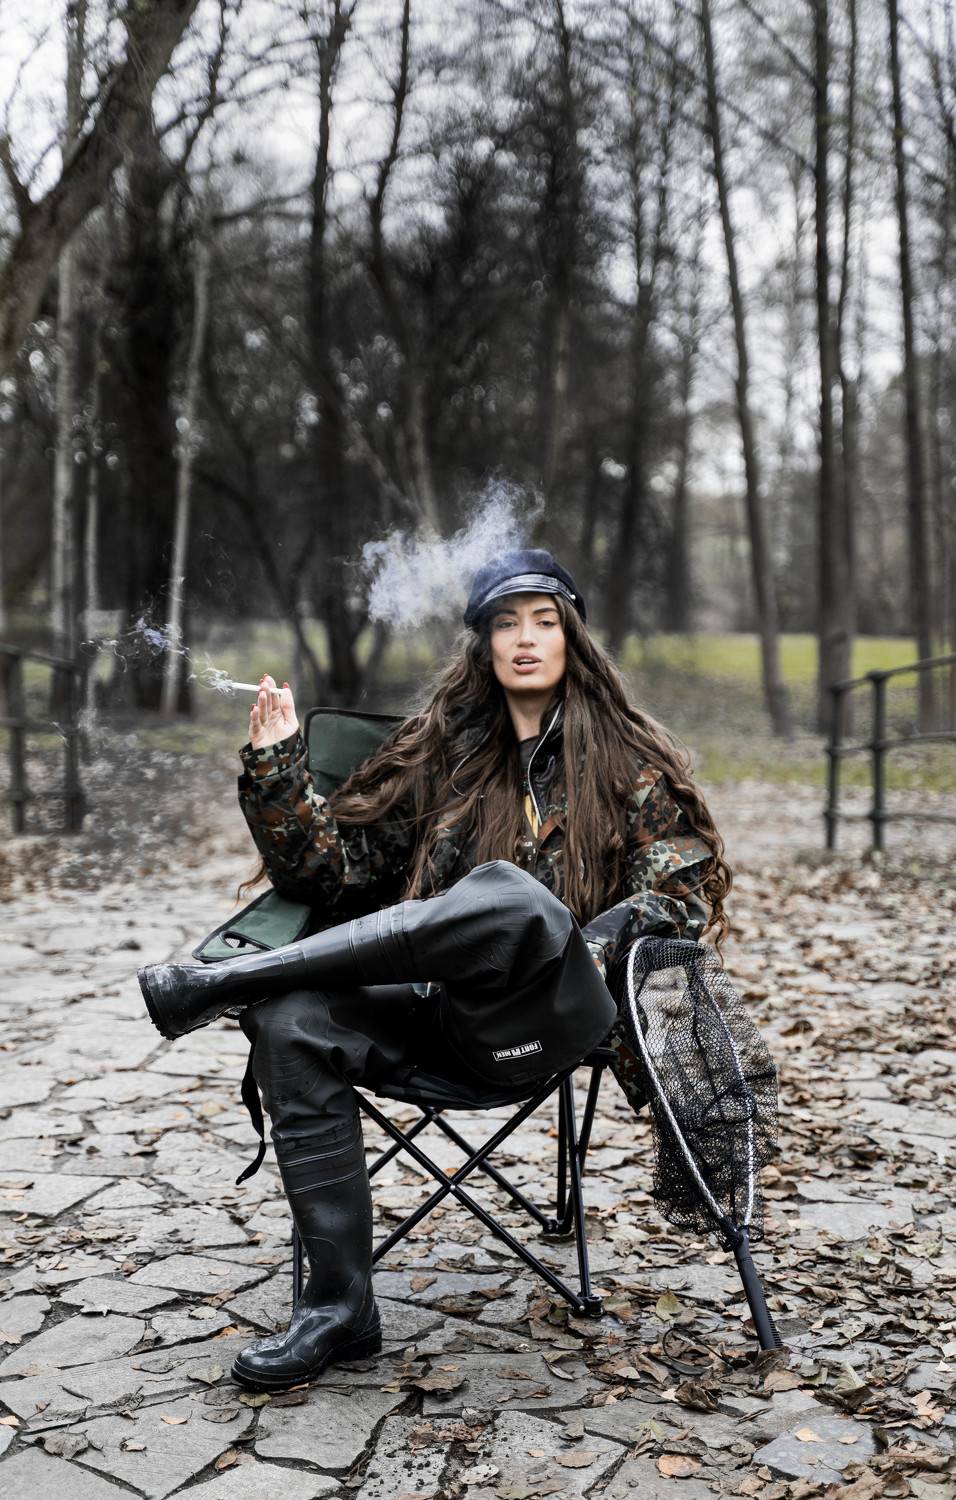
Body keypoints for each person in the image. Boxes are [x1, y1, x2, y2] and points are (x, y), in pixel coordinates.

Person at [137, 548, 731, 1392]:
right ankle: (338, 1307)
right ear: (482, 643)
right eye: (504, 623)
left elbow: (677, 898)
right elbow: (329, 873)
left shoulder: (629, 762)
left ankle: (227, 983)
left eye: (545, 621)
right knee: (290, 1020)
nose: (525, 639)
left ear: (573, 638)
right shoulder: (440, 756)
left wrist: (584, 950)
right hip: (437, 1017)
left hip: (547, 1017)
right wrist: (277, 766)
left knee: (514, 901)